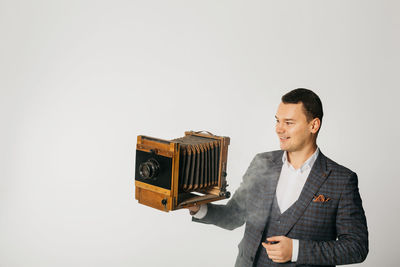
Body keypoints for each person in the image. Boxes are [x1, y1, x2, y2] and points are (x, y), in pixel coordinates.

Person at [188, 88, 368, 267]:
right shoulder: (262, 162)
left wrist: (297, 250)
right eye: (277, 121)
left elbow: (356, 247)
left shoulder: (342, 180)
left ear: (313, 125)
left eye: (288, 123)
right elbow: (233, 216)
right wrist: (198, 207)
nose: (278, 129)